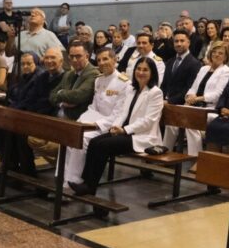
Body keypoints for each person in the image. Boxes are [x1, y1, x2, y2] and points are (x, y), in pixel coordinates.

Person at [68, 57, 165, 196]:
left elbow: (149, 121)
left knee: (103, 146)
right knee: (94, 142)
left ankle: (90, 186)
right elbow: (123, 113)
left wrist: (125, 129)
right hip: (125, 131)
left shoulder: (155, 92)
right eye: (138, 69)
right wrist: (115, 126)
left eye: (145, 70)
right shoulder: (132, 89)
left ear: (152, 73)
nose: (141, 72)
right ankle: (86, 182)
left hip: (142, 136)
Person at [63, 47, 132, 186]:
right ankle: (63, 177)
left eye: (105, 59)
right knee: (69, 134)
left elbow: (119, 114)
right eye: (99, 60)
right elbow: (93, 107)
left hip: (108, 126)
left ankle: (73, 181)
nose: (102, 63)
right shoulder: (98, 80)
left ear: (115, 59)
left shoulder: (124, 83)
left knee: (81, 139)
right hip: (93, 122)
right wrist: (81, 122)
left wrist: (96, 125)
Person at [184, 42, 229, 157]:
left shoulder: (226, 71)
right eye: (214, 52)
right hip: (194, 106)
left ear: (226, 57)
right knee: (171, 121)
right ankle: (166, 153)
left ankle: (196, 158)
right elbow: (193, 87)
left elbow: (217, 94)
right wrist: (189, 97)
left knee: (191, 125)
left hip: (210, 109)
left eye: (220, 53)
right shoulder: (204, 69)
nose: (216, 55)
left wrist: (198, 98)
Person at [49, 42, 100, 120]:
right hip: (59, 115)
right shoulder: (69, 74)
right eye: (71, 56)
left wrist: (60, 92)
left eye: (78, 56)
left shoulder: (93, 73)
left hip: (76, 119)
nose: (74, 60)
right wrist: (62, 103)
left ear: (87, 56)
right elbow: (52, 95)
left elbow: (78, 96)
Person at [160, 28, 202, 106]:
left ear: (188, 43)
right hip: (163, 103)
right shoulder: (169, 62)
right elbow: (164, 85)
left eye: (182, 41)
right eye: (176, 41)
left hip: (180, 106)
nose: (179, 44)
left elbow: (189, 88)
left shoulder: (195, 64)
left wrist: (170, 101)